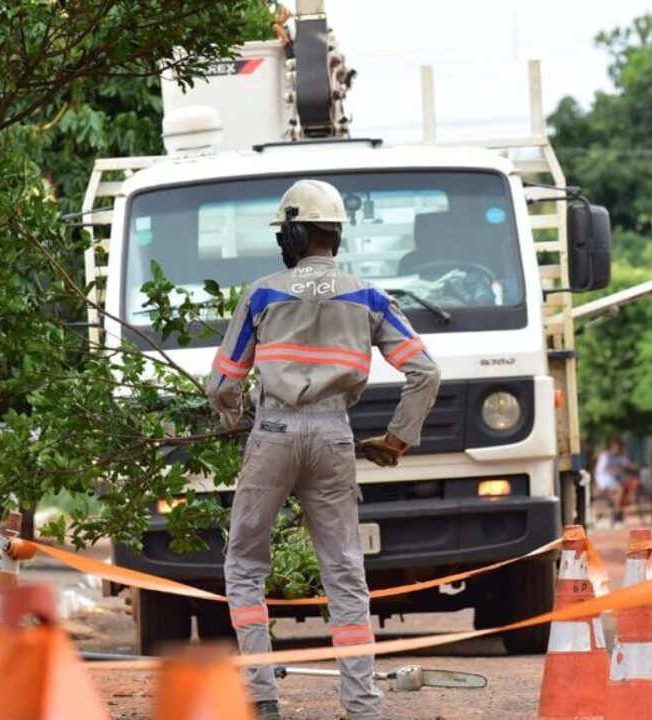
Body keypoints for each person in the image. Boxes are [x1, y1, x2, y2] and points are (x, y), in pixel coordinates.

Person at [207, 179, 441, 720]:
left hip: (275, 433)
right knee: (344, 571)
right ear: (334, 235)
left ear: (293, 231)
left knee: (244, 564)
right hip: (335, 435)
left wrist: (239, 418)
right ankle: (361, 706)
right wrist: (397, 438)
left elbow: (222, 384)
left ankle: (262, 697)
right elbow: (424, 371)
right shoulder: (368, 297)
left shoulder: (263, 293)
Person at [594, 438, 638, 522]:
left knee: (629, 483)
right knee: (618, 488)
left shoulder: (621, 457)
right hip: (604, 479)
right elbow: (604, 469)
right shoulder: (605, 456)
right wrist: (616, 469)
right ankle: (617, 511)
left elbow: (629, 465)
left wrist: (638, 466)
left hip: (615, 479)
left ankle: (624, 504)